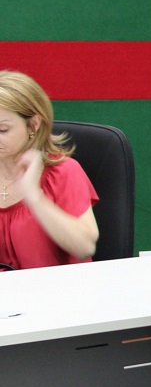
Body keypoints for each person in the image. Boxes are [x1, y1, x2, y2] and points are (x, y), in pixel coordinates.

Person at [0, 71, 98, 270]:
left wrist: (34, 197)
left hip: (56, 288)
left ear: (33, 125)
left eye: (2, 129)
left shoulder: (64, 172)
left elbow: (84, 247)